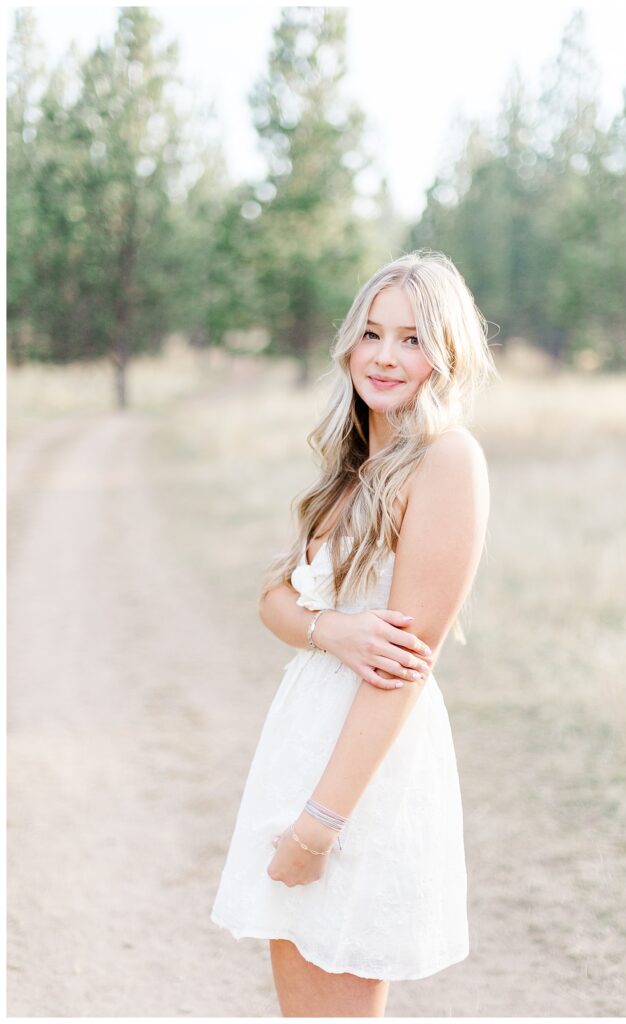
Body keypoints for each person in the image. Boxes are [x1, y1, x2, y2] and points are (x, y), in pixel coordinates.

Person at [210, 249, 497, 1017]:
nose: (385, 355)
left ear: (447, 353)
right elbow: (273, 599)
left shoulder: (446, 461)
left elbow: (402, 665)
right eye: (372, 333)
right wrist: (329, 630)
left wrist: (319, 824)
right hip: (304, 745)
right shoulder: (350, 468)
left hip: (363, 770)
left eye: (412, 338)